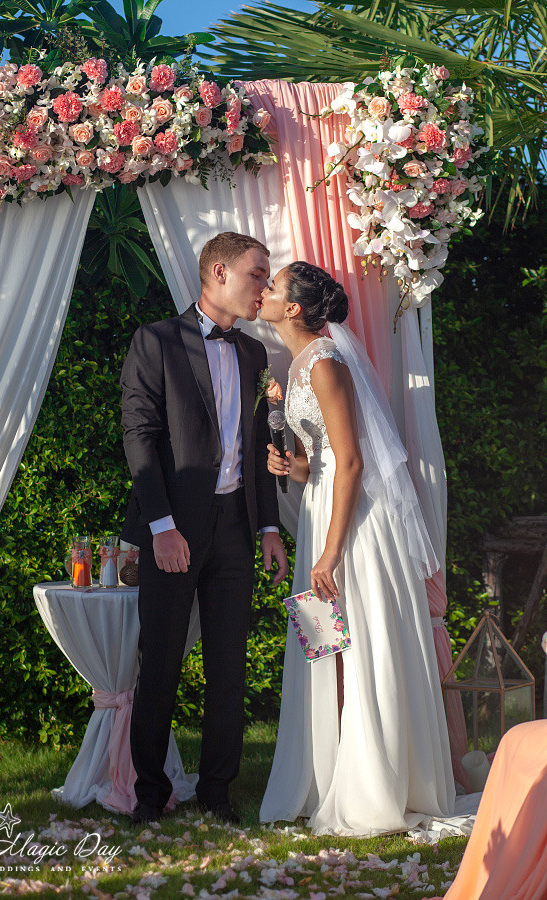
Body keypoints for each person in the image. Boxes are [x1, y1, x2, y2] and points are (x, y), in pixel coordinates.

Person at [258, 261, 455, 836]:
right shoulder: (297, 366)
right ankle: (328, 772)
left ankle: (372, 784)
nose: (265, 293)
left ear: (293, 308)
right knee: (326, 647)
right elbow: (322, 461)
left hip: (353, 532)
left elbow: (352, 462)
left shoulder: (325, 364)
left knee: (358, 645)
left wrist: (329, 555)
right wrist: (291, 465)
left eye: (273, 287)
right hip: (325, 514)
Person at [120, 232, 289, 827]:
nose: (264, 288)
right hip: (174, 530)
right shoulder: (156, 341)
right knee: (160, 664)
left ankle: (217, 791)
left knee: (229, 667)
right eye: (257, 275)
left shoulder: (251, 354)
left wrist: (269, 526)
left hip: (235, 533)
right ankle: (148, 794)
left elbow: (258, 447)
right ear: (218, 272)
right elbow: (139, 436)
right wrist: (162, 527)